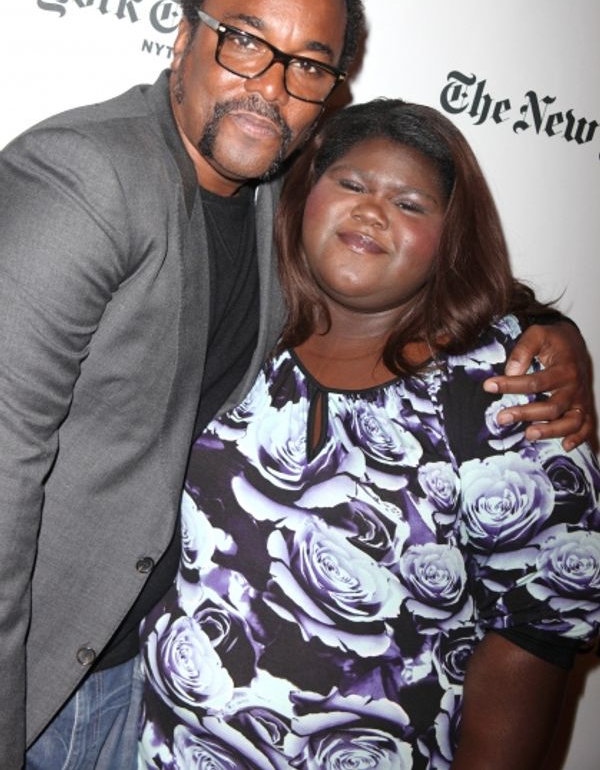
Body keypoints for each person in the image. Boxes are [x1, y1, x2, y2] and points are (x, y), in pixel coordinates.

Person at [0, 0, 592, 770]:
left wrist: (560, 340)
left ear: (327, 93)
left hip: (134, 695)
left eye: (307, 65)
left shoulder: (278, 207)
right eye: (245, 43)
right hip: (47, 677)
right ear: (185, 36)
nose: (269, 87)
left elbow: (534, 637)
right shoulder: (91, 181)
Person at [138, 98, 600, 770]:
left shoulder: (508, 390)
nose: (371, 210)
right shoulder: (244, 323)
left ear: (451, 237)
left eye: (410, 204)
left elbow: (537, 631)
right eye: (351, 184)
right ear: (304, 195)